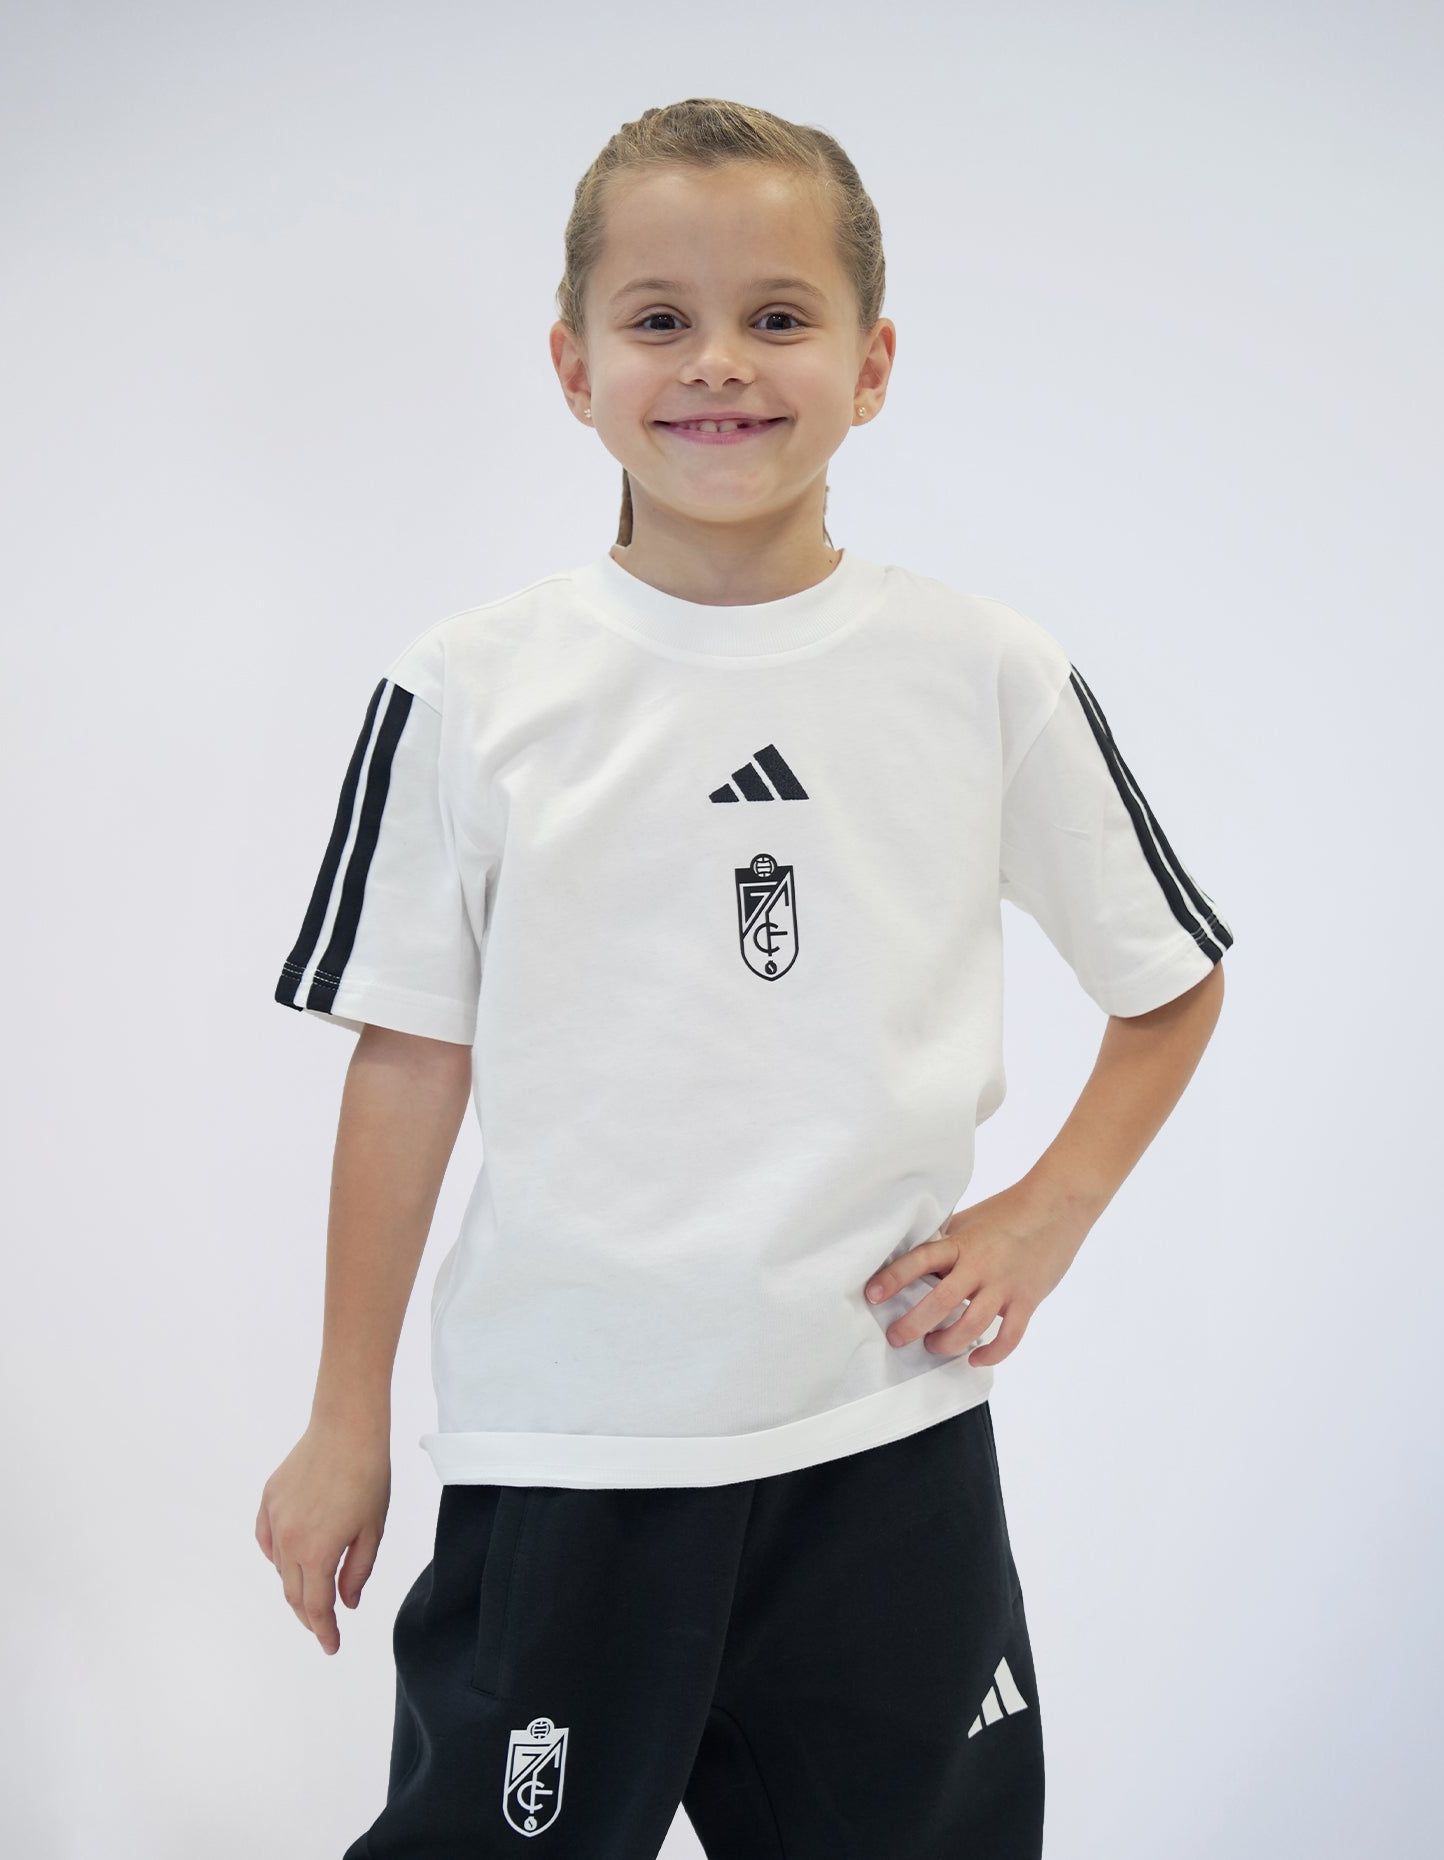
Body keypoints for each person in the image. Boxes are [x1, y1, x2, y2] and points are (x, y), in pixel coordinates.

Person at [255, 96, 1234, 1860]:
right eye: (661, 318)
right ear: (575, 366)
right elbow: (405, 1062)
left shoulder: (980, 673)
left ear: (871, 364)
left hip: (882, 1441)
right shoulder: (472, 691)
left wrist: (1048, 1215)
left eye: (778, 315)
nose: (719, 361)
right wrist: (345, 1417)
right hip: (576, 1454)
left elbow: (1168, 979)